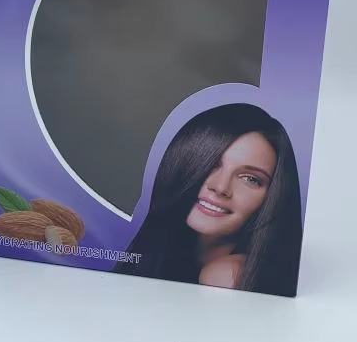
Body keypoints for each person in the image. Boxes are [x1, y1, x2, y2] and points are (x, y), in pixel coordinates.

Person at [114, 103, 302, 296]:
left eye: (250, 179)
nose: (221, 188)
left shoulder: (228, 276)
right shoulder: (163, 255)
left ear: (272, 196)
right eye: (212, 164)